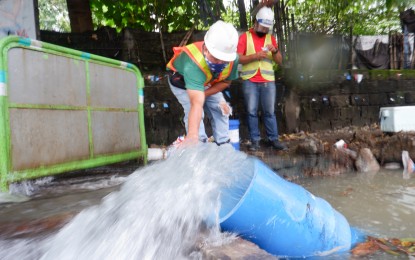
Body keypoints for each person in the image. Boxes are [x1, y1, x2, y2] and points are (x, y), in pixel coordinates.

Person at [166, 20, 239, 146]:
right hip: (181, 81)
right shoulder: (193, 62)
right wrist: (192, 135)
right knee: (194, 112)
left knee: (221, 108)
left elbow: (226, 82)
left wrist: (205, 93)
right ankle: (198, 146)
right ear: (206, 49)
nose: (220, 63)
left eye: (224, 60)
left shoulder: (233, 59)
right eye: (215, 58)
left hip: (206, 81)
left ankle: (223, 144)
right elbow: (196, 104)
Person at [237, 6, 287, 151]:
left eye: (266, 28)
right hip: (250, 80)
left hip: (268, 81)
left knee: (270, 112)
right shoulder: (244, 37)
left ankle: (273, 139)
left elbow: (279, 61)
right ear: (255, 23)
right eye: (262, 27)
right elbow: (238, 59)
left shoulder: (271, 39)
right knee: (252, 111)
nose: (264, 30)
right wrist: (255, 56)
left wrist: (275, 50)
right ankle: (255, 140)